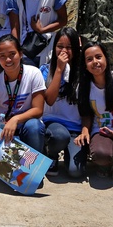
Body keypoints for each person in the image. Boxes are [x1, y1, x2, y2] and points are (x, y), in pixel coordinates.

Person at [75, 41, 113, 179]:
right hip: (100, 131)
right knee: (101, 155)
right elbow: (86, 114)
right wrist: (85, 131)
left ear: (106, 59)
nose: (95, 62)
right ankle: (104, 163)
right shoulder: (83, 87)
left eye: (98, 57)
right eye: (89, 59)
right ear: (85, 65)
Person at [0, 35, 46, 152]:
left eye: (12, 54)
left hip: (27, 127)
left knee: (34, 126)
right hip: (5, 129)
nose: (8, 60)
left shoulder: (34, 73)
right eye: (2, 56)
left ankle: (33, 168)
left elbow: (38, 110)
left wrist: (15, 119)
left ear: (20, 54)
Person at [40, 28, 84, 179]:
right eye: (60, 46)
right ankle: (51, 153)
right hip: (53, 124)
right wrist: (59, 70)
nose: (64, 51)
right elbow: (49, 99)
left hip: (75, 129)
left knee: (75, 171)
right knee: (60, 136)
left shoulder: (83, 72)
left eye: (69, 47)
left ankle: (69, 153)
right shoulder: (46, 70)